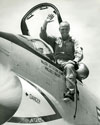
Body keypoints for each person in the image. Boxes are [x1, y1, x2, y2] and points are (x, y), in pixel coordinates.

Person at [40, 14, 83, 101]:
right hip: (56, 63)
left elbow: (79, 52)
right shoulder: (55, 40)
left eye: (66, 29)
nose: (64, 31)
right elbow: (43, 36)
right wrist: (45, 22)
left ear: (69, 30)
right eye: (62, 29)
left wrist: (74, 61)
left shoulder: (74, 41)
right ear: (59, 30)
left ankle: (70, 93)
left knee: (69, 67)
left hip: (67, 63)